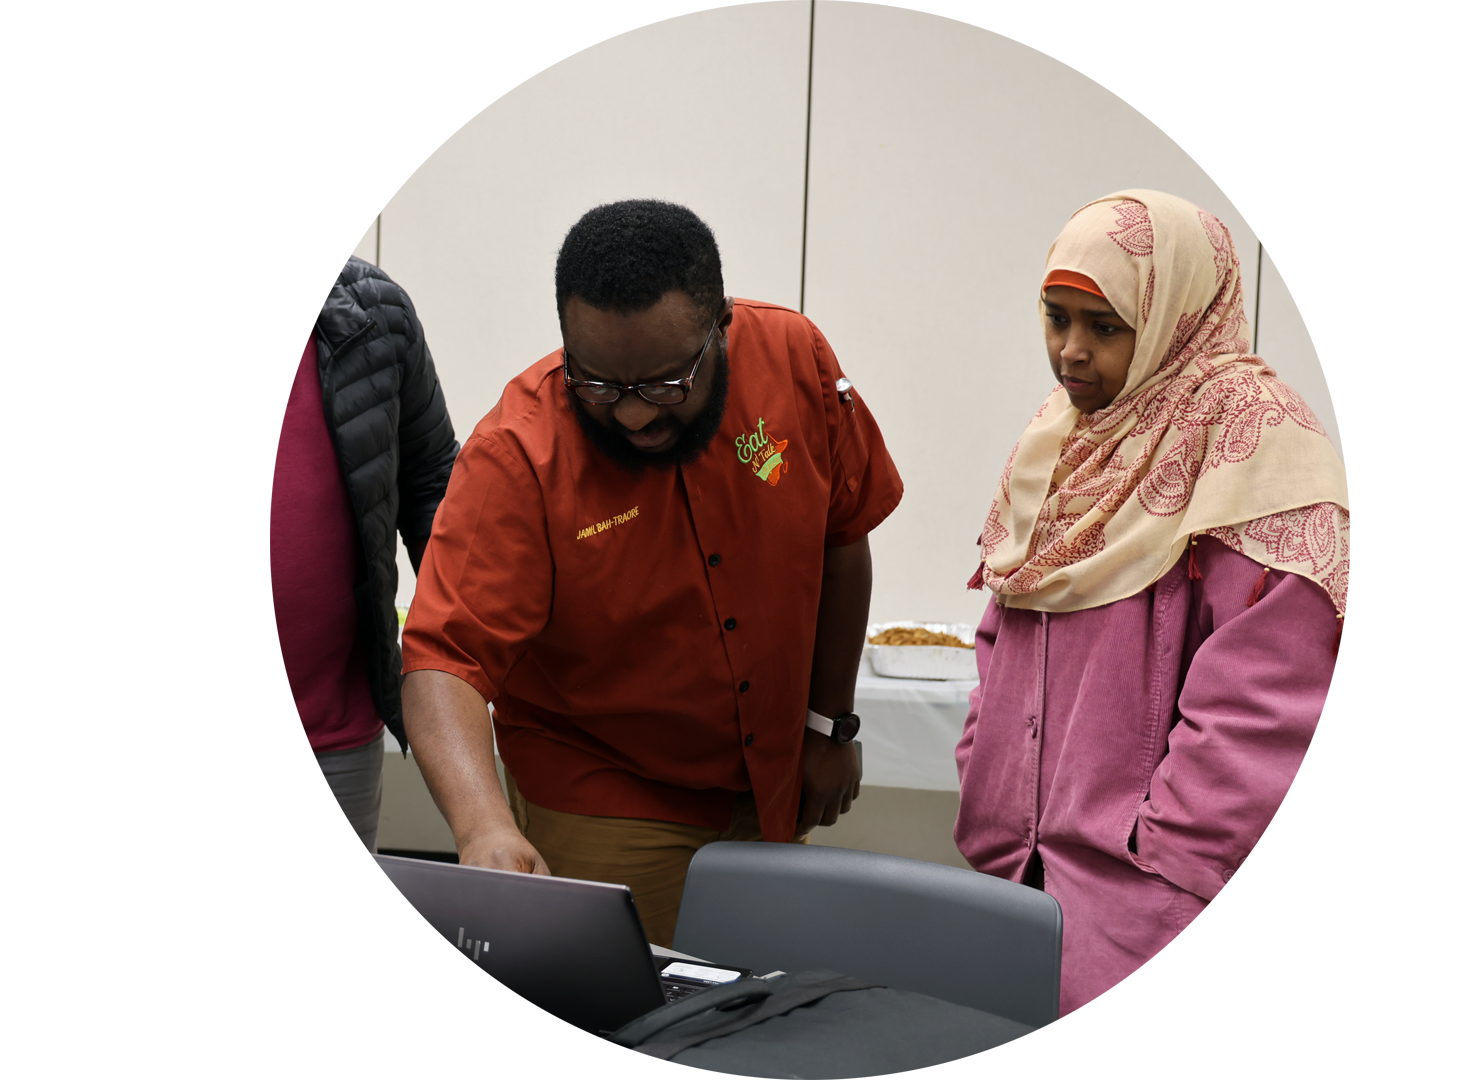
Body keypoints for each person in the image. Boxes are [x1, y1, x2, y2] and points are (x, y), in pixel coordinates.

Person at [400, 200, 903, 945]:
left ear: (720, 324)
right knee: (627, 1016)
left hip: (771, 773)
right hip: (606, 788)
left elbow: (843, 531)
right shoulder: (519, 452)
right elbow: (444, 657)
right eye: (599, 385)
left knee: (752, 1008)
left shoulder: (797, 359)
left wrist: (828, 725)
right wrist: (482, 828)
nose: (634, 417)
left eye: (667, 385)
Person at [954, 191, 1349, 1064]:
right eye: (1056, 319)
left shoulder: (1256, 443)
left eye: (1105, 325)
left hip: (1149, 895)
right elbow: (1003, 625)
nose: (1071, 351)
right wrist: (987, 775)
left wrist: (1162, 850)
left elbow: (1271, 698)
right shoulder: (1060, 438)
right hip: (1014, 869)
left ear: (1176, 316)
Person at [271, 255, 460, 852]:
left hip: (329, 745)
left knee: (316, 940)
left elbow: (432, 481)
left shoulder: (369, 311)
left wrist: (461, 647)